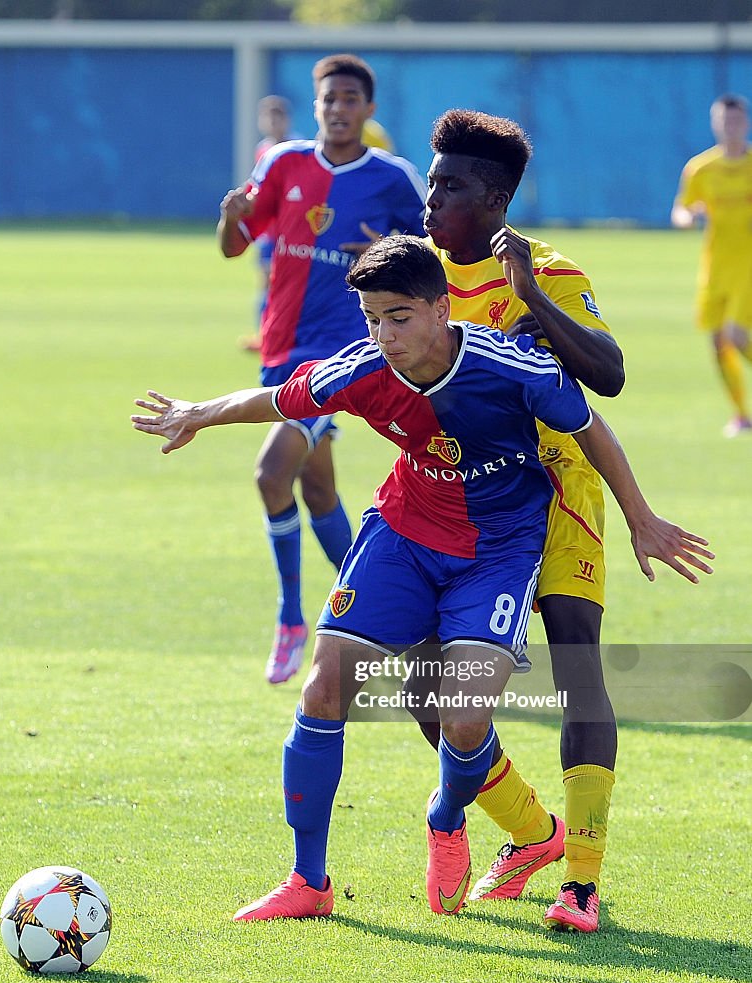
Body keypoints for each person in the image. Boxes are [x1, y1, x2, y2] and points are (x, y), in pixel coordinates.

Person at [132, 237, 712, 925]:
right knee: (325, 686)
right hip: (403, 533)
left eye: (399, 317)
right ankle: (307, 880)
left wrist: (639, 517)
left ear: (441, 309)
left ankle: (445, 814)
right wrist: (197, 413)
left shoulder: (508, 365)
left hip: (498, 548)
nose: (383, 335)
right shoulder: (361, 368)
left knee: (463, 717)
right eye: (371, 318)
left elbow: (590, 427)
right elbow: (279, 398)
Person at [411, 109, 712, 932]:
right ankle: (528, 831)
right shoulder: (420, 276)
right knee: (416, 681)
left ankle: (579, 880)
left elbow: (607, 374)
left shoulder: (550, 270)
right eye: (430, 182)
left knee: (577, 667)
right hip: (454, 496)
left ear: (498, 197)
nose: (431, 199)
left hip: (555, 488)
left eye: (451, 187)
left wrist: (530, 298)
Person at [216, 54, 426, 685]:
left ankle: (290, 618)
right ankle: (384, 616)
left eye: (349, 100)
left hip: (344, 355)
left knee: (270, 472)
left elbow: (435, 260)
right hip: (280, 347)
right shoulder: (282, 164)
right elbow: (235, 247)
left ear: (369, 109)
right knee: (317, 490)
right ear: (317, 107)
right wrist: (231, 216)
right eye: (328, 99)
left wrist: (386, 255)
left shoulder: (392, 178)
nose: (338, 110)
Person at [672, 93, 752, 438]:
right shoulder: (701, 168)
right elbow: (681, 208)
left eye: (735, 121)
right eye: (723, 122)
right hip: (716, 265)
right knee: (718, 344)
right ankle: (741, 415)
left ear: (745, 123)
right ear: (715, 125)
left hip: (748, 265)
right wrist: (687, 216)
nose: (730, 128)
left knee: (737, 335)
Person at [239, 95, 297, 354]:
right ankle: (264, 334)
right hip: (269, 231)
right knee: (265, 282)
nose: (273, 122)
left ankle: (280, 332)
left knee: (286, 282)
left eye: (278, 116)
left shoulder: (299, 148)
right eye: (268, 117)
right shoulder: (263, 149)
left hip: (291, 230)